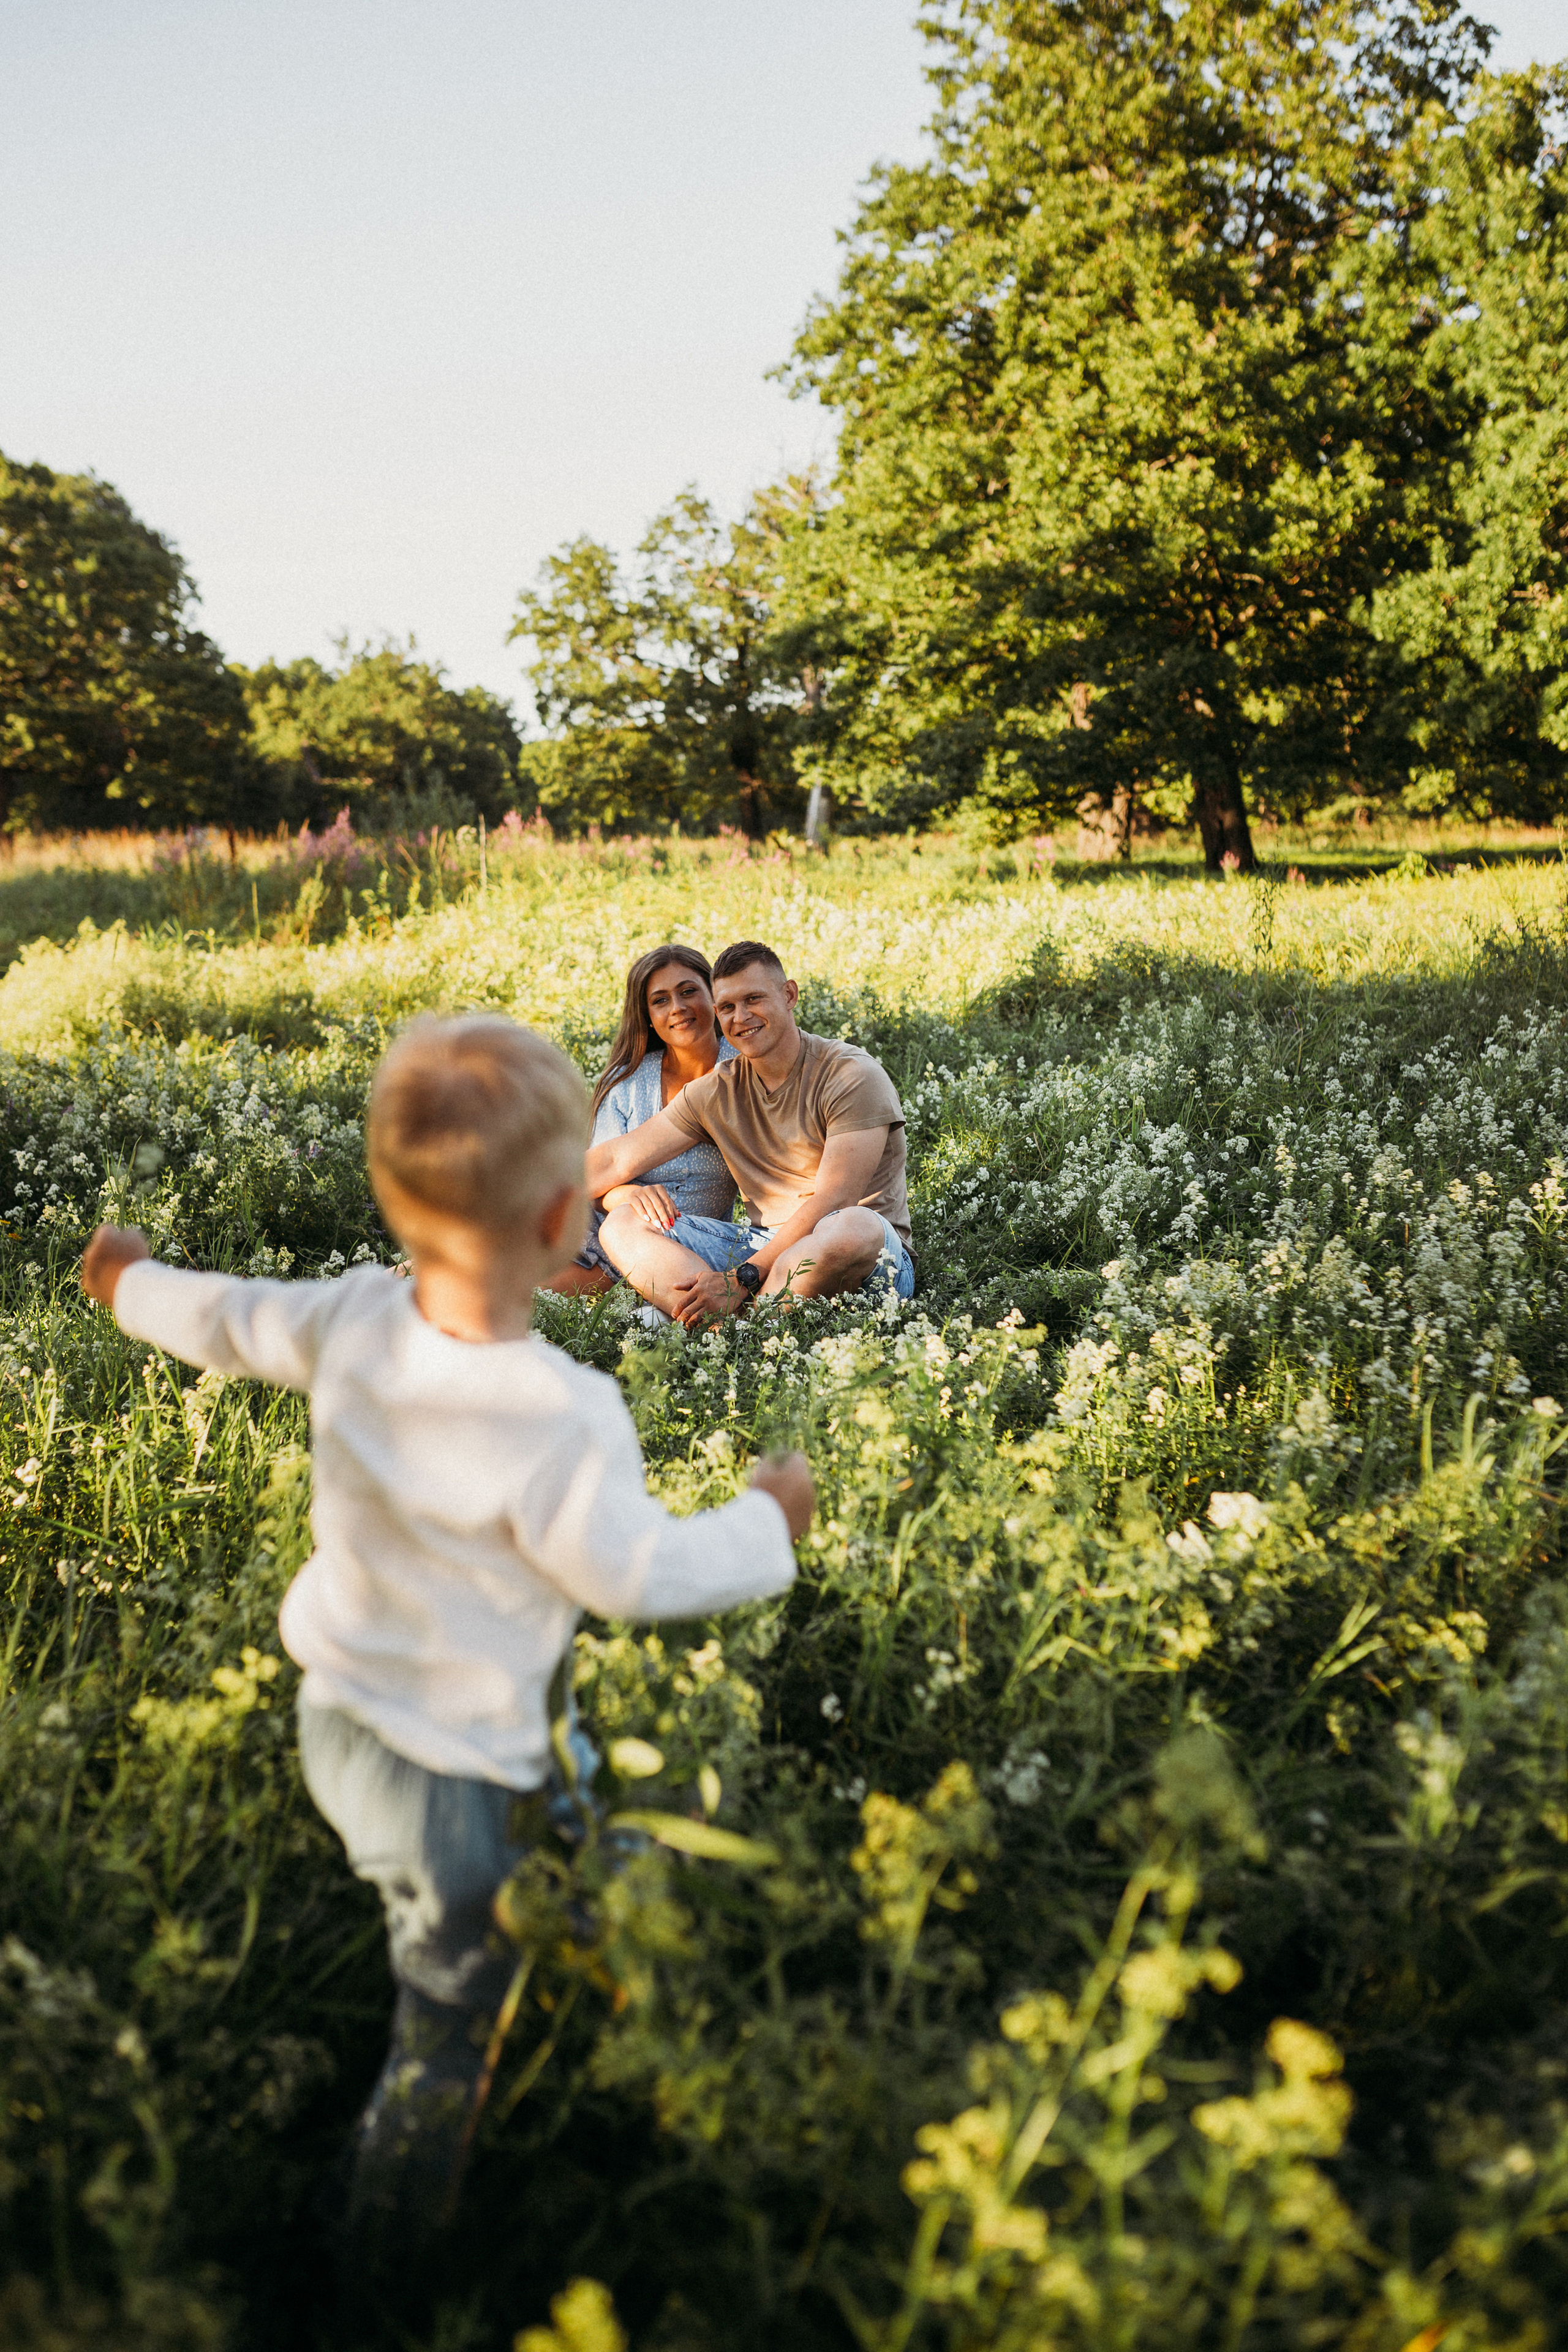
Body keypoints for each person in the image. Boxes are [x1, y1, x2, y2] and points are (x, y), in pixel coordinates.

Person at [79, 1013, 813, 2256]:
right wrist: (761, 1525)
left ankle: (594, 1912)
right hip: (456, 1776)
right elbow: (635, 1572)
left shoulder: (351, 1315)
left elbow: (226, 1316)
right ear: (555, 1229)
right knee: (449, 2006)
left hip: (344, 1723)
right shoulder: (562, 1413)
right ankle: (376, 2247)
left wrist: (125, 1282)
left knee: (560, 1800)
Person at [587, 940, 916, 1327]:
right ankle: (730, 1325)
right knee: (623, 1223)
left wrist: (741, 1278)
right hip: (762, 1250)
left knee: (852, 1224)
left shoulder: (850, 1074)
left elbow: (835, 1198)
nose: (740, 1017)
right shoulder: (717, 1090)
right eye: (727, 1007)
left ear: (789, 995)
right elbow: (614, 1159)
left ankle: (736, 1323)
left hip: (865, 1255)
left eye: (753, 999)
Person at [543, 944, 737, 1297]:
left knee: (507, 1290)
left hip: (668, 1247)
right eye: (660, 1000)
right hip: (601, 1227)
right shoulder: (628, 1082)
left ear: (714, 995)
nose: (677, 1008)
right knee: (454, 1265)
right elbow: (599, 1184)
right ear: (647, 1015)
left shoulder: (746, 1068)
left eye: (688, 991)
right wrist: (630, 1194)